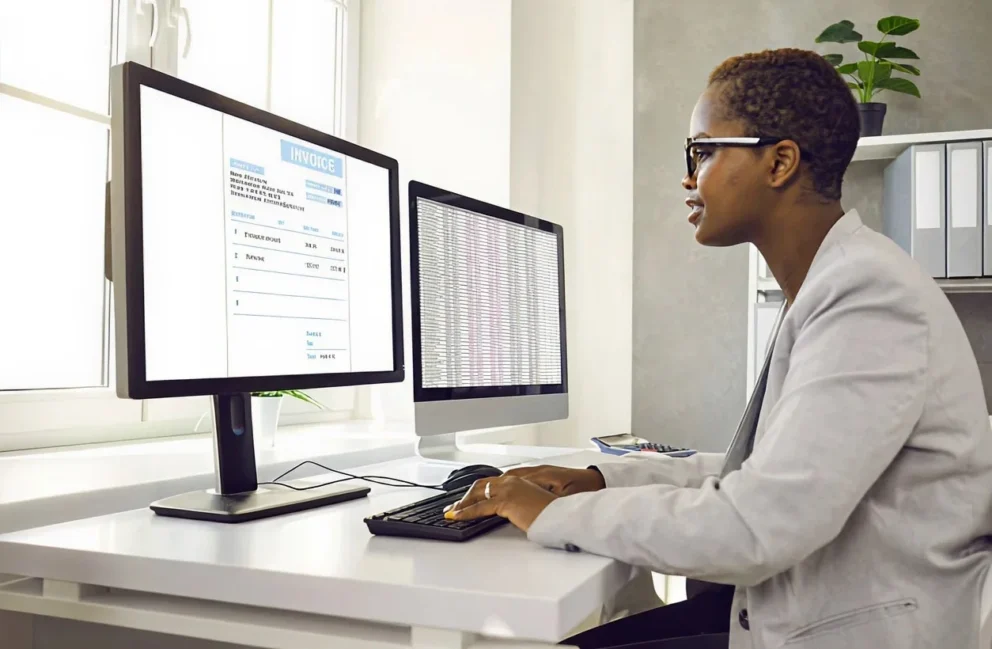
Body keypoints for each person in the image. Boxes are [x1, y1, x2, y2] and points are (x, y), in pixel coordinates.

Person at [445, 48, 992, 649]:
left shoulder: (868, 297)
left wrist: (549, 515)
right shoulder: (834, 283)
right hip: (810, 607)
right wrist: (600, 480)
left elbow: (756, 525)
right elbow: (761, 476)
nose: (688, 176)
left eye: (702, 152)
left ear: (779, 162)